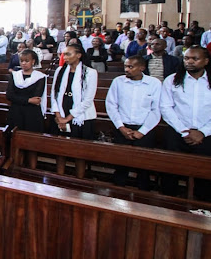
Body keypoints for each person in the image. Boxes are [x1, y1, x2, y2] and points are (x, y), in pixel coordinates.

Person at [159, 47, 211, 200]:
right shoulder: (173, 80)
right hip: (177, 133)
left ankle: (202, 209)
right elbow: (166, 107)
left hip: (206, 135)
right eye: (186, 58)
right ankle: (169, 205)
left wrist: (202, 132)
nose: (189, 61)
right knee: (171, 173)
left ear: (206, 61)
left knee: (205, 177)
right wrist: (184, 130)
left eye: (195, 59)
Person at [105, 55, 162, 190]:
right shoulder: (118, 81)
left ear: (142, 68)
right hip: (122, 127)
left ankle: (143, 193)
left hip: (144, 129)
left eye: (131, 67)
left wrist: (142, 131)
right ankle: (118, 191)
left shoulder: (154, 83)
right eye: (126, 66)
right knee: (120, 163)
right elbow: (111, 105)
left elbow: (156, 110)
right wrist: (121, 127)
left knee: (143, 166)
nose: (127, 69)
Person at [51, 44, 98, 139]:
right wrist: (59, 117)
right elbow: (54, 94)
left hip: (81, 115)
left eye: (68, 54)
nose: (65, 57)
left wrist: (67, 119)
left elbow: (88, 100)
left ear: (78, 55)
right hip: (62, 109)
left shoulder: (90, 73)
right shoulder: (60, 70)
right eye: (64, 55)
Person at [6, 50, 47, 132]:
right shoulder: (15, 75)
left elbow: (36, 99)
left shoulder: (40, 77)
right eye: (21, 61)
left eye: (27, 61)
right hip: (16, 112)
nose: (23, 63)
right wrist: (28, 100)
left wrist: (18, 98)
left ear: (33, 61)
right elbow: (9, 96)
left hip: (32, 114)